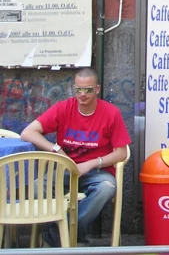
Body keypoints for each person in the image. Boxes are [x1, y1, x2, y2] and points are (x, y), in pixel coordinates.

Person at [20, 68, 131, 247]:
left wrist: (91, 164)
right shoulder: (63, 108)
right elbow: (27, 133)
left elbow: (122, 152)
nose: (82, 94)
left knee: (106, 188)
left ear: (97, 89)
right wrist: (56, 149)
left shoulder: (111, 113)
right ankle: (71, 239)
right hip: (65, 169)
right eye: (78, 89)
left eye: (87, 90)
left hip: (97, 172)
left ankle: (57, 235)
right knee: (36, 187)